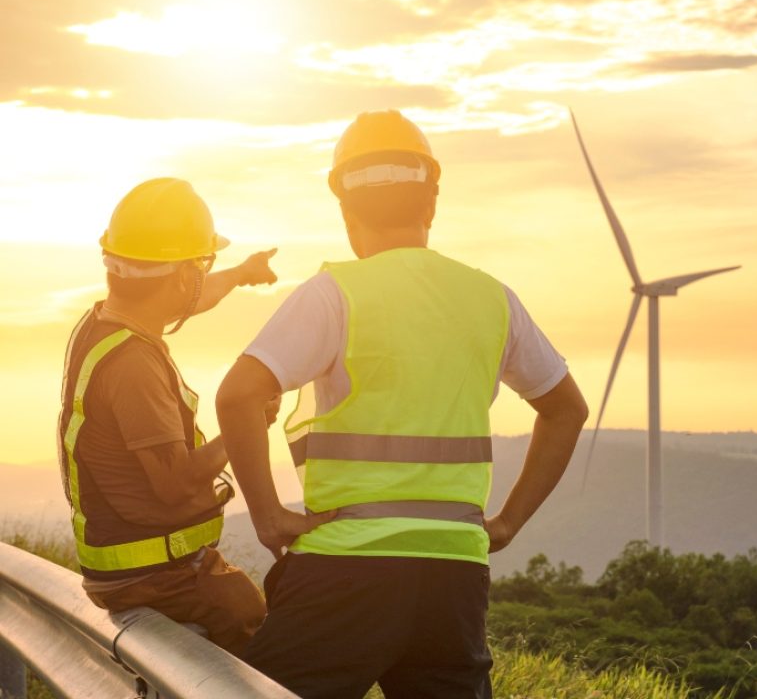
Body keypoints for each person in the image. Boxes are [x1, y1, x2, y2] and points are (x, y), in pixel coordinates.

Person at [216, 109, 589, 698]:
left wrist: (267, 516)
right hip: (455, 577)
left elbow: (238, 395)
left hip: (347, 569)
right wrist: (509, 521)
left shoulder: (334, 294)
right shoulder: (493, 298)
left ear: (346, 211)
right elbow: (567, 408)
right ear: (431, 205)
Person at [58, 177, 278, 656]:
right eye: (199, 265)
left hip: (123, 571)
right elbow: (175, 484)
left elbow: (189, 296)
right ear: (179, 276)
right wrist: (245, 426)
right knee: (259, 628)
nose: (202, 277)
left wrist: (240, 273)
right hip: (157, 578)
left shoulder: (103, 323)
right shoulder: (134, 365)